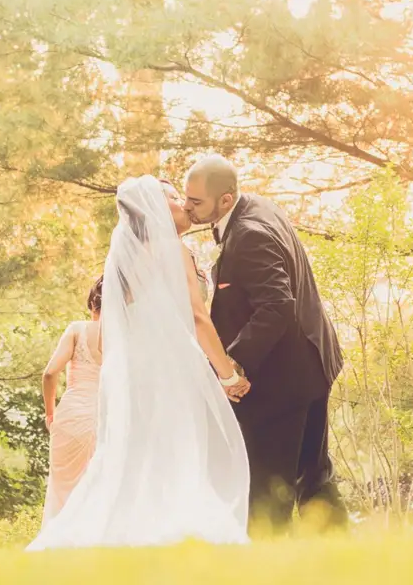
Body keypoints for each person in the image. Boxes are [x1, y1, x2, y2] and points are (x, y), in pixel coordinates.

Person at [29, 176, 250, 550]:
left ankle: (130, 529)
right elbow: (198, 319)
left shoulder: (122, 259)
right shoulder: (173, 251)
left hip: (128, 373)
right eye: (175, 197)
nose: (185, 203)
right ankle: (169, 527)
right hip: (169, 368)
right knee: (174, 449)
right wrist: (228, 376)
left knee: (134, 454)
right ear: (156, 209)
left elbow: (110, 333)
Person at [182, 154, 345, 530]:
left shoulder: (250, 234)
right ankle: (339, 547)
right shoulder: (257, 206)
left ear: (226, 199)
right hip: (309, 363)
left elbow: (276, 305)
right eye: (186, 198)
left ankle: (269, 549)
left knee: (270, 484)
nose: (188, 207)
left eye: (196, 202)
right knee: (313, 474)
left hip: (282, 378)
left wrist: (234, 363)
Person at [41, 277, 103, 522]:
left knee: (62, 488)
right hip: (106, 417)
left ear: (92, 303)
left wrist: (50, 413)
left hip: (72, 416)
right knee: (97, 487)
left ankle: (57, 536)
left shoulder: (77, 329)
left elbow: (49, 373)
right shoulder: (124, 338)